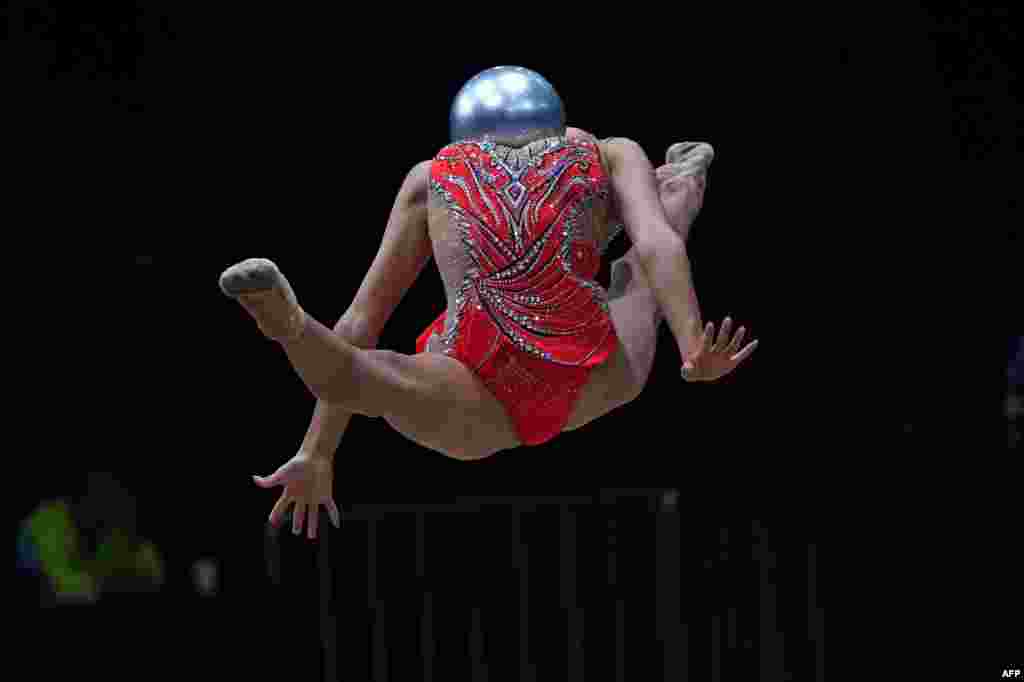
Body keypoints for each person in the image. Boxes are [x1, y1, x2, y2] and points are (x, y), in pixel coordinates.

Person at [222, 67, 758, 539]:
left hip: (492, 383)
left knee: (372, 375)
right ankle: (684, 178)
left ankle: (293, 327)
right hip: (579, 370)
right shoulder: (607, 152)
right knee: (647, 260)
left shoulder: (435, 178)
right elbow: (658, 243)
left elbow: (363, 318)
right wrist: (691, 348)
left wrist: (320, 452)